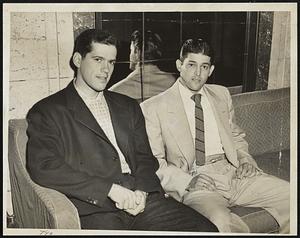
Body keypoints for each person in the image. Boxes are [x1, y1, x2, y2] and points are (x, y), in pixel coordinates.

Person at [25, 29, 218, 232]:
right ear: (77, 59)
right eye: (98, 59)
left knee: (207, 230)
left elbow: (145, 158)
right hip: (94, 208)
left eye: (111, 62)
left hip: (143, 201)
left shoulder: (127, 105)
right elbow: (44, 166)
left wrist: (143, 191)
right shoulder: (48, 110)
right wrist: (109, 190)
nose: (105, 69)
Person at [140, 38, 290, 233]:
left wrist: (245, 161)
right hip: (197, 180)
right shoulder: (153, 108)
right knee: (220, 222)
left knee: (292, 196)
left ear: (210, 70)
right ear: (179, 65)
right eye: (191, 65)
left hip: (234, 173)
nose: (197, 73)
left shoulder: (221, 94)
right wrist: (187, 182)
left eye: (204, 67)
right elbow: (153, 162)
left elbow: (236, 137)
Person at [109, 30, 176, 101]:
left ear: (137, 51)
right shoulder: (172, 83)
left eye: (131, 50)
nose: (129, 55)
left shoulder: (116, 91)